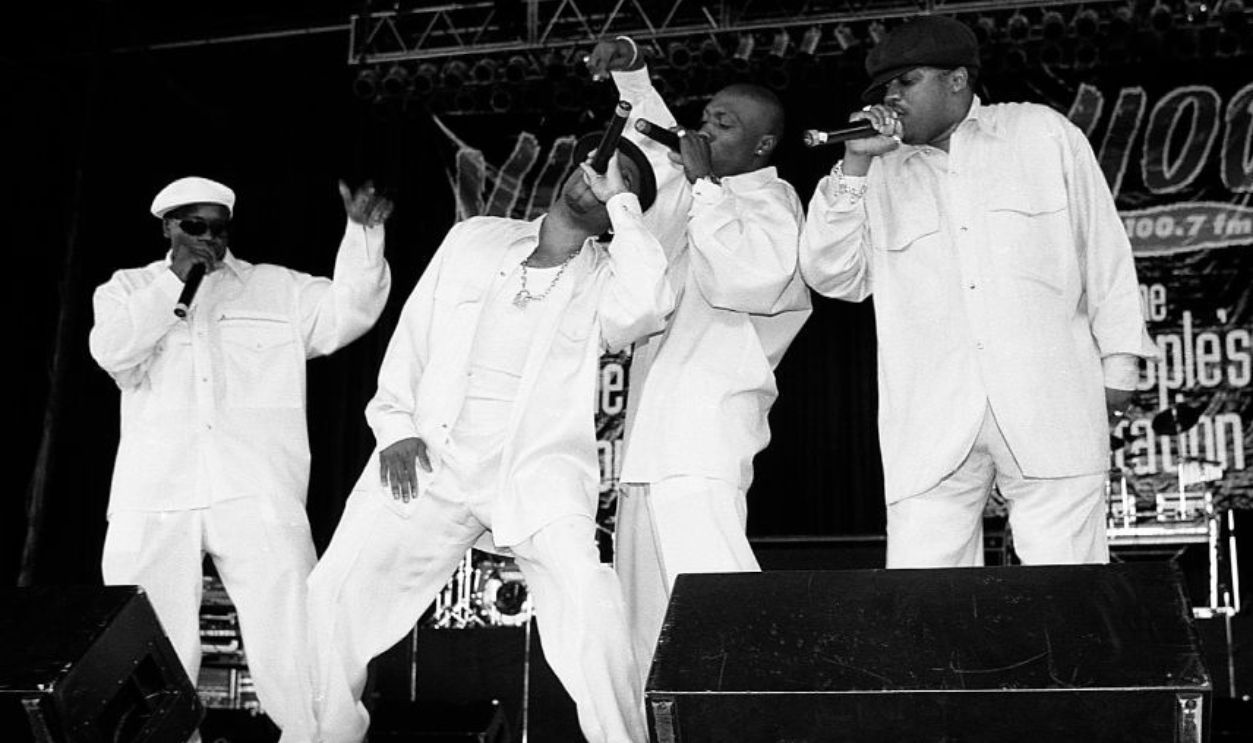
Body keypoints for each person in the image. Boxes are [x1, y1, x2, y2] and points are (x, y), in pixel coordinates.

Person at [306, 140, 671, 743]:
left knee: (593, 606)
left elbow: (646, 309)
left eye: (619, 176)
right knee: (330, 597)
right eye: (596, 160)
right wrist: (395, 426)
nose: (597, 176)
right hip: (431, 460)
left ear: (621, 205)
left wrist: (626, 207)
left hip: (534, 474)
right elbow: (414, 334)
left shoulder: (613, 277)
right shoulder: (474, 237)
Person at [800, 16, 1157, 568]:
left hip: (1050, 396)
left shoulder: (1040, 134)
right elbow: (831, 275)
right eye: (883, 89)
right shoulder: (880, 171)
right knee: (926, 603)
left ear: (957, 81)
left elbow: (1103, 248)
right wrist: (855, 163)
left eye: (906, 82)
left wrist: (1120, 365)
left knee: (1066, 586)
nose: (891, 98)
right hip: (930, 415)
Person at [89, 175, 393, 741]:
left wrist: (363, 234)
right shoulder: (126, 289)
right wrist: (173, 286)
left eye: (217, 228)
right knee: (147, 643)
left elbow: (349, 310)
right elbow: (112, 352)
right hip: (155, 491)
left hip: (254, 485)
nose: (207, 238)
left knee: (293, 632)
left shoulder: (274, 289)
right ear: (168, 227)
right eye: (193, 226)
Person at [585, 36, 812, 686]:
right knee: (645, 640)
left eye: (723, 123)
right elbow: (652, 131)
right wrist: (631, 69)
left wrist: (707, 184)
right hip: (647, 452)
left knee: (722, 616)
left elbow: (744, 280)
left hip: (703, 445)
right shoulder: (694, 195)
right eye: (705, 116)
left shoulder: (773, 204)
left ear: (763, 145)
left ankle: (760, 723)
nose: (703, 129)